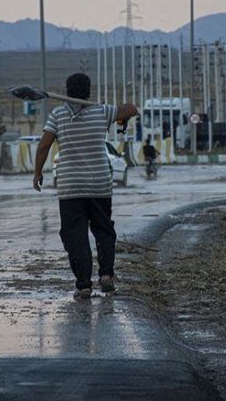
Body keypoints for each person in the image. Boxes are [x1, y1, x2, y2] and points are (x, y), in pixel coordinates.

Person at [33, 73, 138, 300]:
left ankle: (83, 285)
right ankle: (107, 275)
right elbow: (132, 109)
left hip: (70, 187)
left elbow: (43, 146)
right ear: (88, 92)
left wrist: (37, 173)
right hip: (99, 185)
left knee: (75, 235)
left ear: (67, 91)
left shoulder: (58, 115)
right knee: (103, 230)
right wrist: (122, 112)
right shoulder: (102, 111)